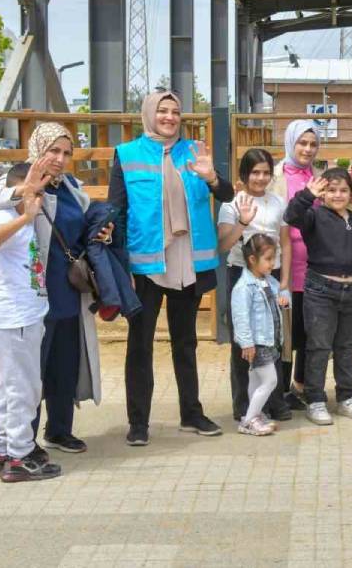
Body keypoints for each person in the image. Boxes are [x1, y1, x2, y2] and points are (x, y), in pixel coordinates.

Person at [0, 122, 108, 459]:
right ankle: (23, 442)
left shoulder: (71, 187)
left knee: (64, 363)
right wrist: (21, 192)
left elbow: (81, 226)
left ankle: (59, 430)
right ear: (37, 150)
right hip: (29, 296)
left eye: (66, 153)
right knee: (28, 372)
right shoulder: (16, 182)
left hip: (67, 291)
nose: (60, 159)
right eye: (53, 151)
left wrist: (100, 233)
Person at [109, 90, 234, 446]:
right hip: (145, 266)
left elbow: (226, 193)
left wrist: (211, 177)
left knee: (186, 342)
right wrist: (120, 269)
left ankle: (191, 413)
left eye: (175, 111)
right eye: (162, 110)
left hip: (188, 262)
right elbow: (116, 212)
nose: (169, 117)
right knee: (140, 345)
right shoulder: (127, 154)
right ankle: (138, 423)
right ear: (149, 114)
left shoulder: (195, 150)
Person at [284, 168, 352, 425]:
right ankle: (315, 399)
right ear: (323, 193)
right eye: (331, 190)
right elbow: (290, 215)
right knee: (318, 346)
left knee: (346, 347)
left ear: (351, 194)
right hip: (320, 291)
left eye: (343, 190)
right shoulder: (313, 217)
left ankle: (346, 397)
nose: (337, 195)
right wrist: (308, 194)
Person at [0, 163, 60, 482]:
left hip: (22, 313)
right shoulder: (5, 215)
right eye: (38, 190)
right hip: (15, 316)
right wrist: (27, 215)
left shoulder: (19, 217)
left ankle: (4, 448)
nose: (41, 197)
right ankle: (19, 455)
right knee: (23, 387)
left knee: (9, 384)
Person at [219, 148, 292, 423]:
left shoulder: (278, 203)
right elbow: (223, 244)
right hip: (242, 275)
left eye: (265, 172)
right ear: (244, 174)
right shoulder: (232, 203)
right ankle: (243, 405)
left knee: (272, 335)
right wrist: (242, 223)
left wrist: (283, 283)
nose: (260, 178)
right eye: (254, 172)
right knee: (244, 339)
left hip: (270, 276)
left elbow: (285, 243)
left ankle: (275, 401)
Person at [279, 120, 321, 410]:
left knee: (309, 332)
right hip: (283, 267)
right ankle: (280, 390)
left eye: (313, 144)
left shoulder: (319, 177)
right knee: (284, 333)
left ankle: (302, 385)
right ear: (291, 143)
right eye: (302, 143)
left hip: (314, 268)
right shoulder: (275, 175)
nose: (307, 149)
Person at [231, 234, 291, 437]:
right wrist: (246, 343)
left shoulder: (268, 280)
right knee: (270, 381)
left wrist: (285, 299)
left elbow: (282, 292)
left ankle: (253, 415)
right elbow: (240, 318)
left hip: (270, 341)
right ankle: (248, 421)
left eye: (273, 259)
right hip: (257, 343)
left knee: (256, 382)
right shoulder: (243, 288)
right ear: (252, 260)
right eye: (268, 259)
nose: (272, 264)